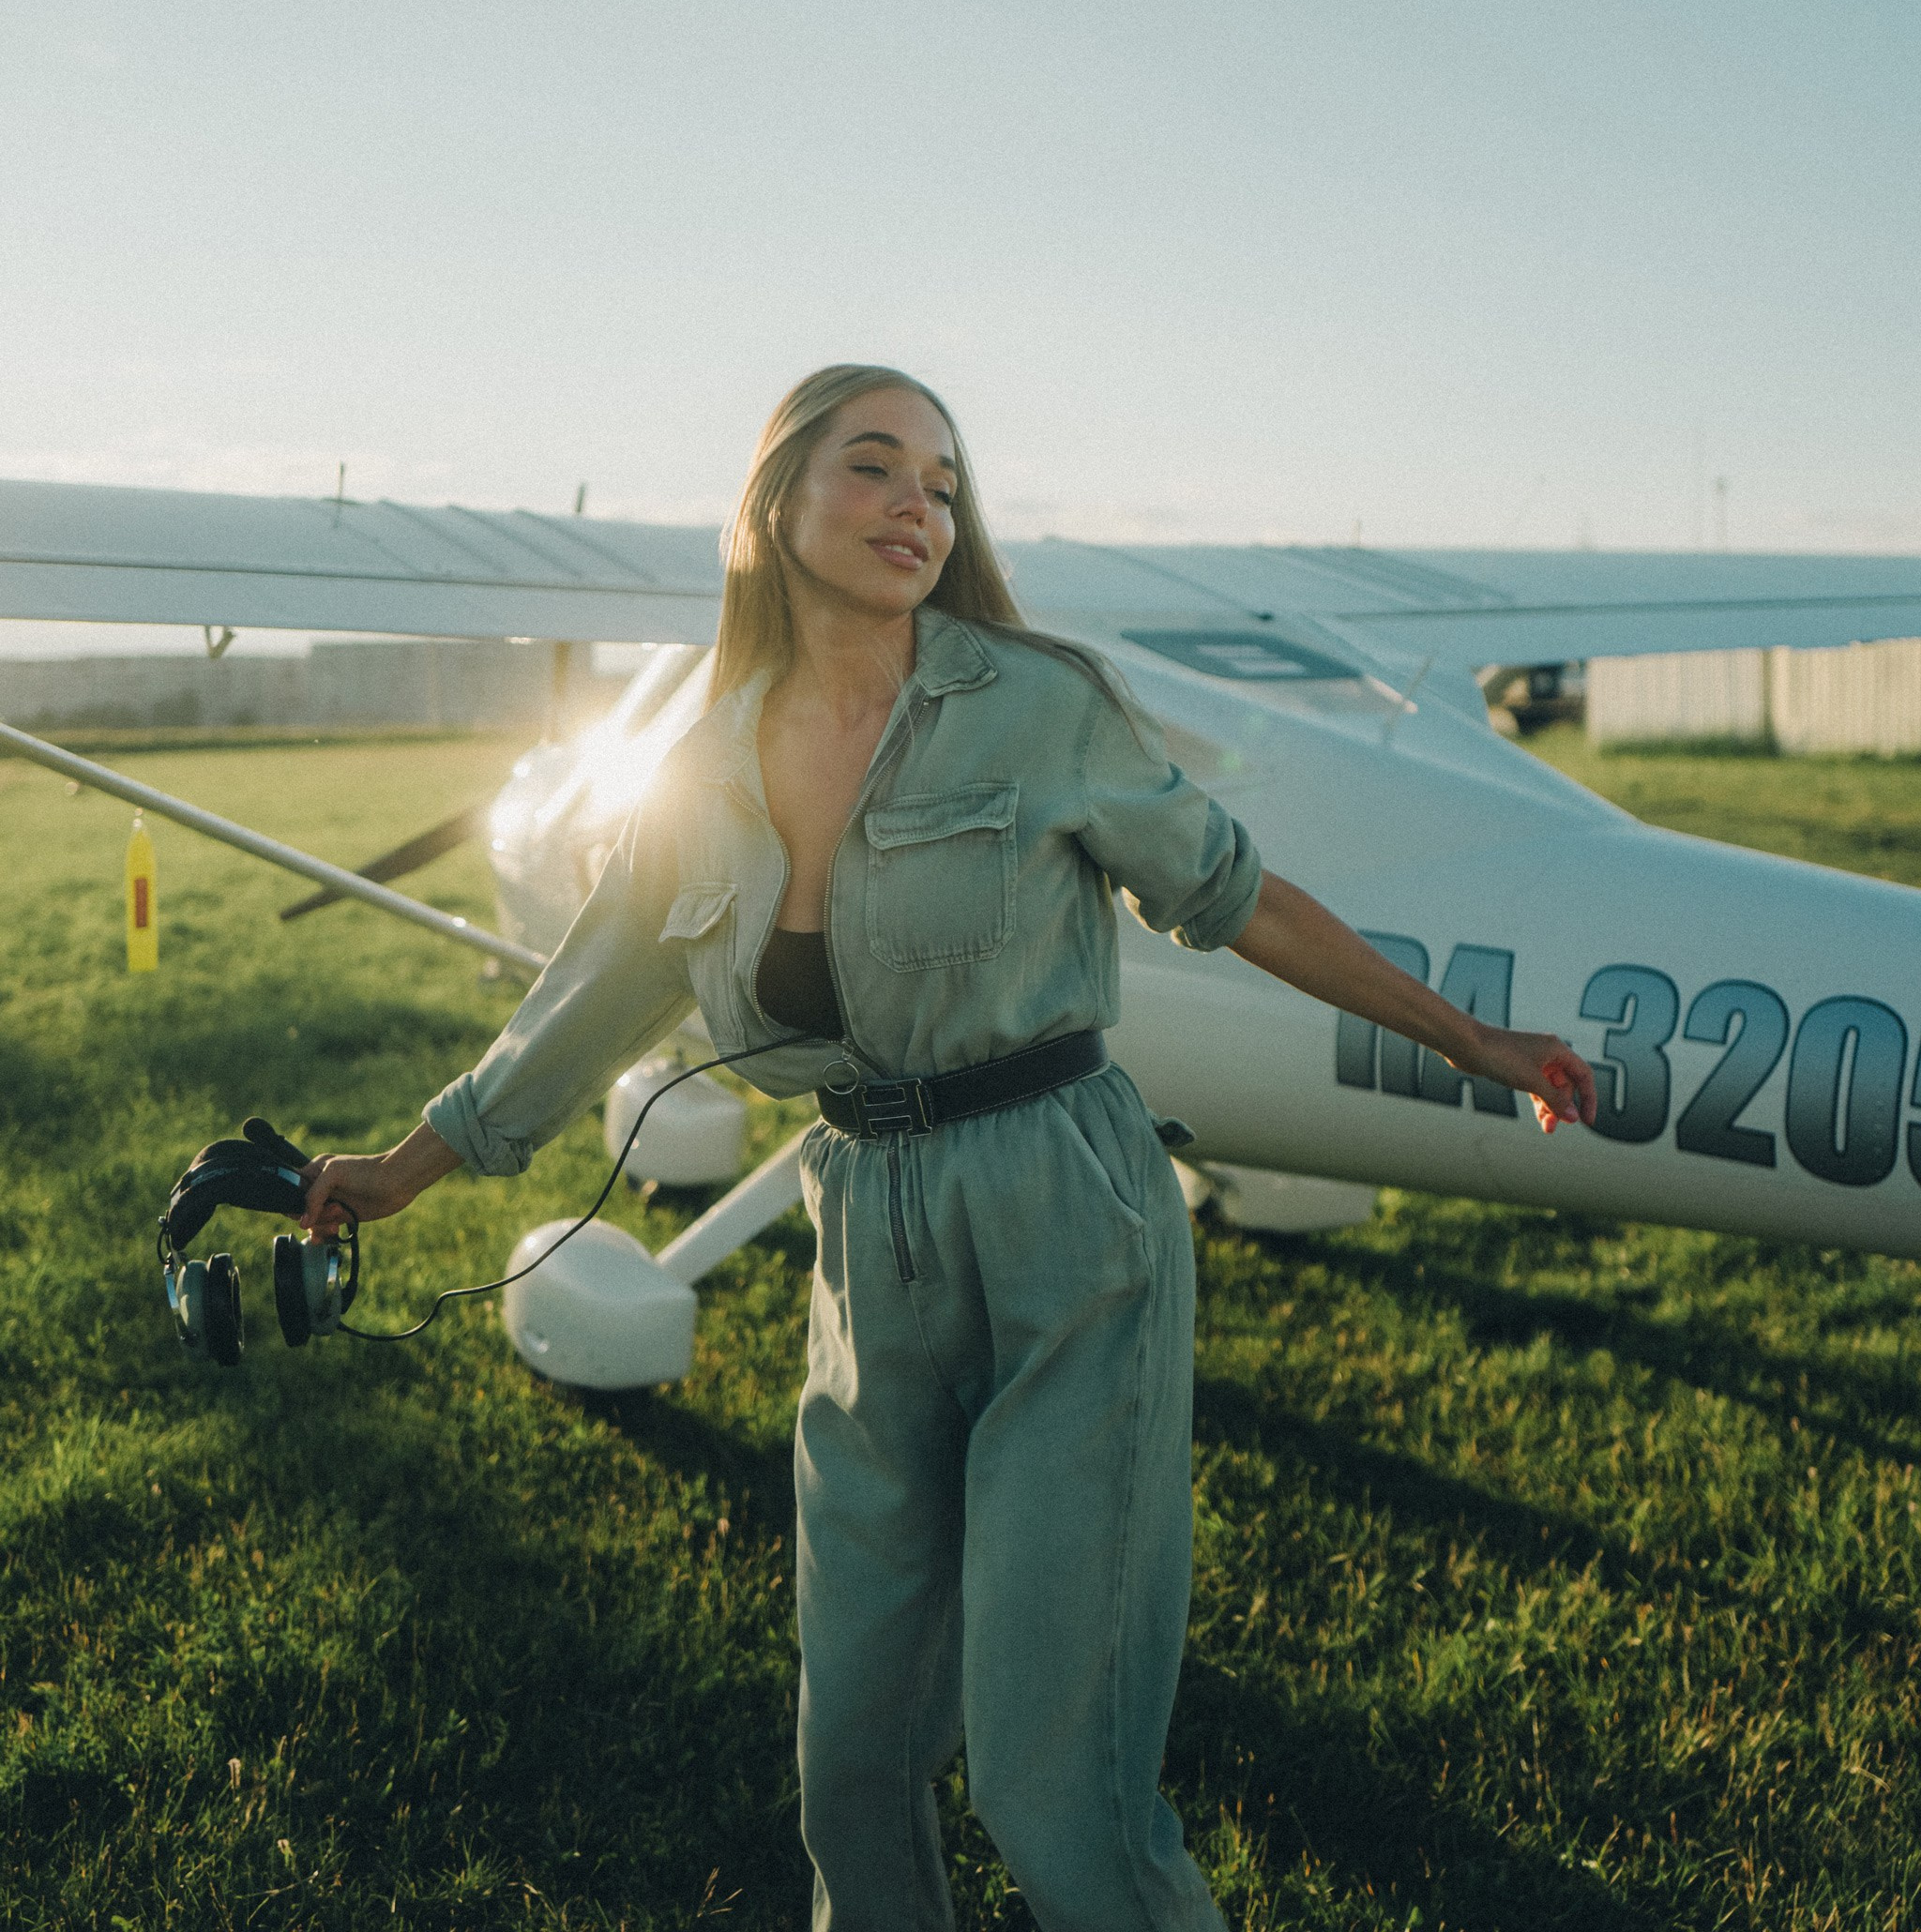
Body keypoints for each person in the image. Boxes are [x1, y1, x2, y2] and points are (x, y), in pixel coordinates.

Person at [299, 364, 1596, 1930]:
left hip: (1067, 1206)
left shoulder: (1038, 703)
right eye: (874, 468)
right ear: (774, 504)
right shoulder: (697, 771)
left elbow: (1237, 892)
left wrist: (1470, 1038)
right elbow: (568, 1019)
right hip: (866, 1228)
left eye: (942, 480)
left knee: (1057, 1791)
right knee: (849, 1762)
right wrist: (397, 1173)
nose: (919, 504)